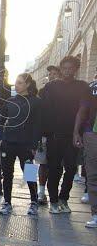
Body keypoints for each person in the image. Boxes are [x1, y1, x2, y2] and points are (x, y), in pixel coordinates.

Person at [40, 56, 91, 214]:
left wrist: (77, 132)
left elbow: (83, 109)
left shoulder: (83, 86)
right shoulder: (50, 87)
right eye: (65, 68)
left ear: (76, 69)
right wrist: (42, 135)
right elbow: (44, 111)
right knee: (54, 168)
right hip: (54, 135)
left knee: (71, 168)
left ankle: (64, 198)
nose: (67, 71)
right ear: (61, 69)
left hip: (72, 134)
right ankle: (54, 201)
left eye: (71, 68)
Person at [0, 73, 42, 216]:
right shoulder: (10, 101)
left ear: (28, 84)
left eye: (20, 83)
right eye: (16, 82)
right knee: (7, 174)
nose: (16, 85)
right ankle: (7, 202)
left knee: (29, 173)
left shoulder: (36, 102)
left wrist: (34, 146)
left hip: (26, 145)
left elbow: (37, 126)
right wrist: (1, 139)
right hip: (8, 143)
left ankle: (34, 202)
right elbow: (0, 121)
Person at [74, 72, 97, 228]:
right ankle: (95, 214)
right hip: (92, 133)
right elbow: (83, 110)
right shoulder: (92, 88)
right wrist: (76, 131)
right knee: (93, 174)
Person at [37, 65, 62, 204]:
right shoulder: (43, 91)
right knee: (42, 164)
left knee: (57, 167)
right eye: (50, 74)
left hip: (60, 135)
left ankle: (53, 191)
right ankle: (40, 192)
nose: (52, 76)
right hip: (44, 135)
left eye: (55, 74)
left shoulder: (65, 93)